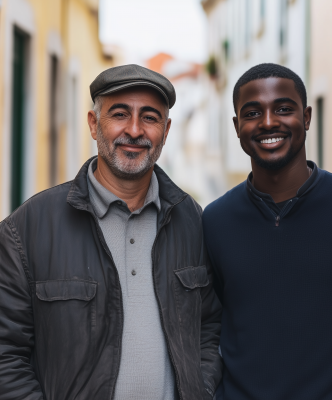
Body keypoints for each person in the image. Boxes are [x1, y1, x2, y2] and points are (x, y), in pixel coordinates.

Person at [0, 64, 222, 400]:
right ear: (93, 124)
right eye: (120, 114)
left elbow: (210, 329)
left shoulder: (192, 221)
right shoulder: (26, 229)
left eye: (150, 117)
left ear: (166, 129)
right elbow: (6, 354)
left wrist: (200, 389)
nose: (134, 130)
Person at [202, 63, 332, 400]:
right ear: (237, 127)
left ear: (306, 118)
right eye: (252, 112)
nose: (268, 122)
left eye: (283, 108)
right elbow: (211, 324)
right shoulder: (215, 221)